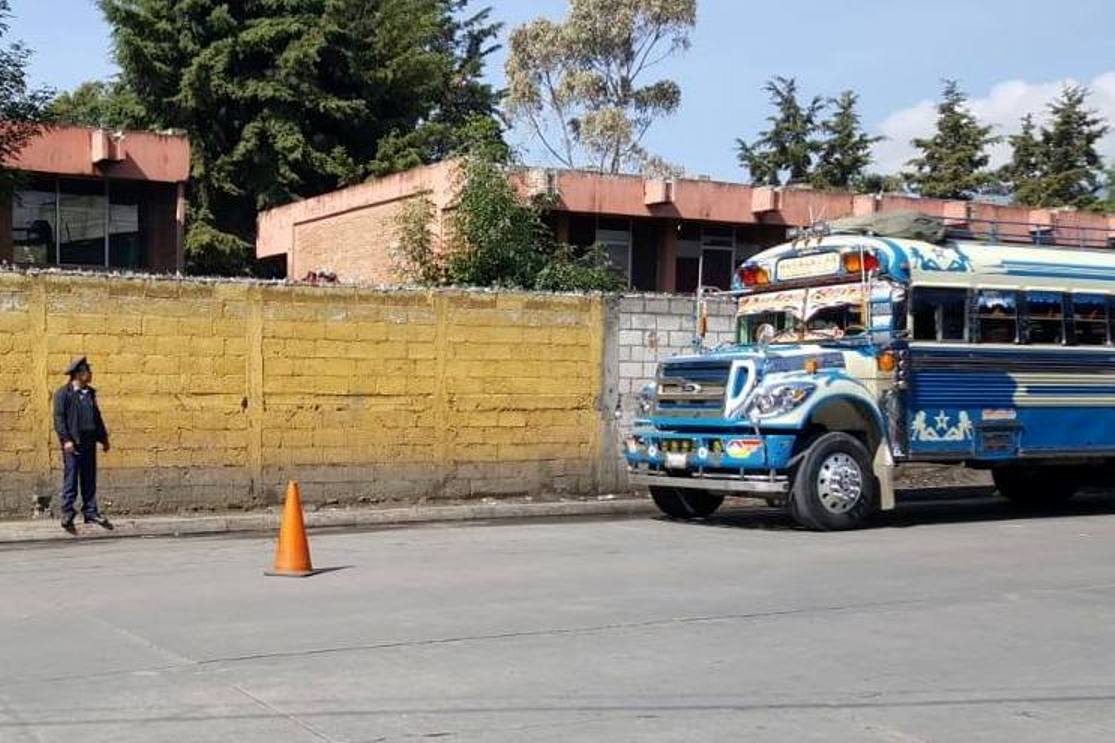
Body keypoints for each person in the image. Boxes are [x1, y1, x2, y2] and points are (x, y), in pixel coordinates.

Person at [53, 357, 111, 532]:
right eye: (87, 372)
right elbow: (59, 419)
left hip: (88, 441)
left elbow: (97, 417)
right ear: (78, 374)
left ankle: (90, 511)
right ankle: (67, 512)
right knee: (71, 478)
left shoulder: (90, 393)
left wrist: (103, 438)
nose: (90, 374)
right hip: (73, 442)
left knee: (89, 477)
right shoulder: (63, 394)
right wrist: (66, 440)